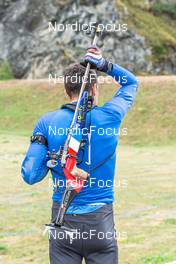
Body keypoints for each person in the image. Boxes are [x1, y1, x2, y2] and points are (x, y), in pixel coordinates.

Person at [21, 46, 138, 264]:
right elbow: (131, 83)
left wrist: (51, 157)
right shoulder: (111, 115)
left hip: (62, 222)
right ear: (94, 89)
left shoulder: (47, 122)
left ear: (67, 91)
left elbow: (30, 175)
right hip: (100, 223)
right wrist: (105, 65)